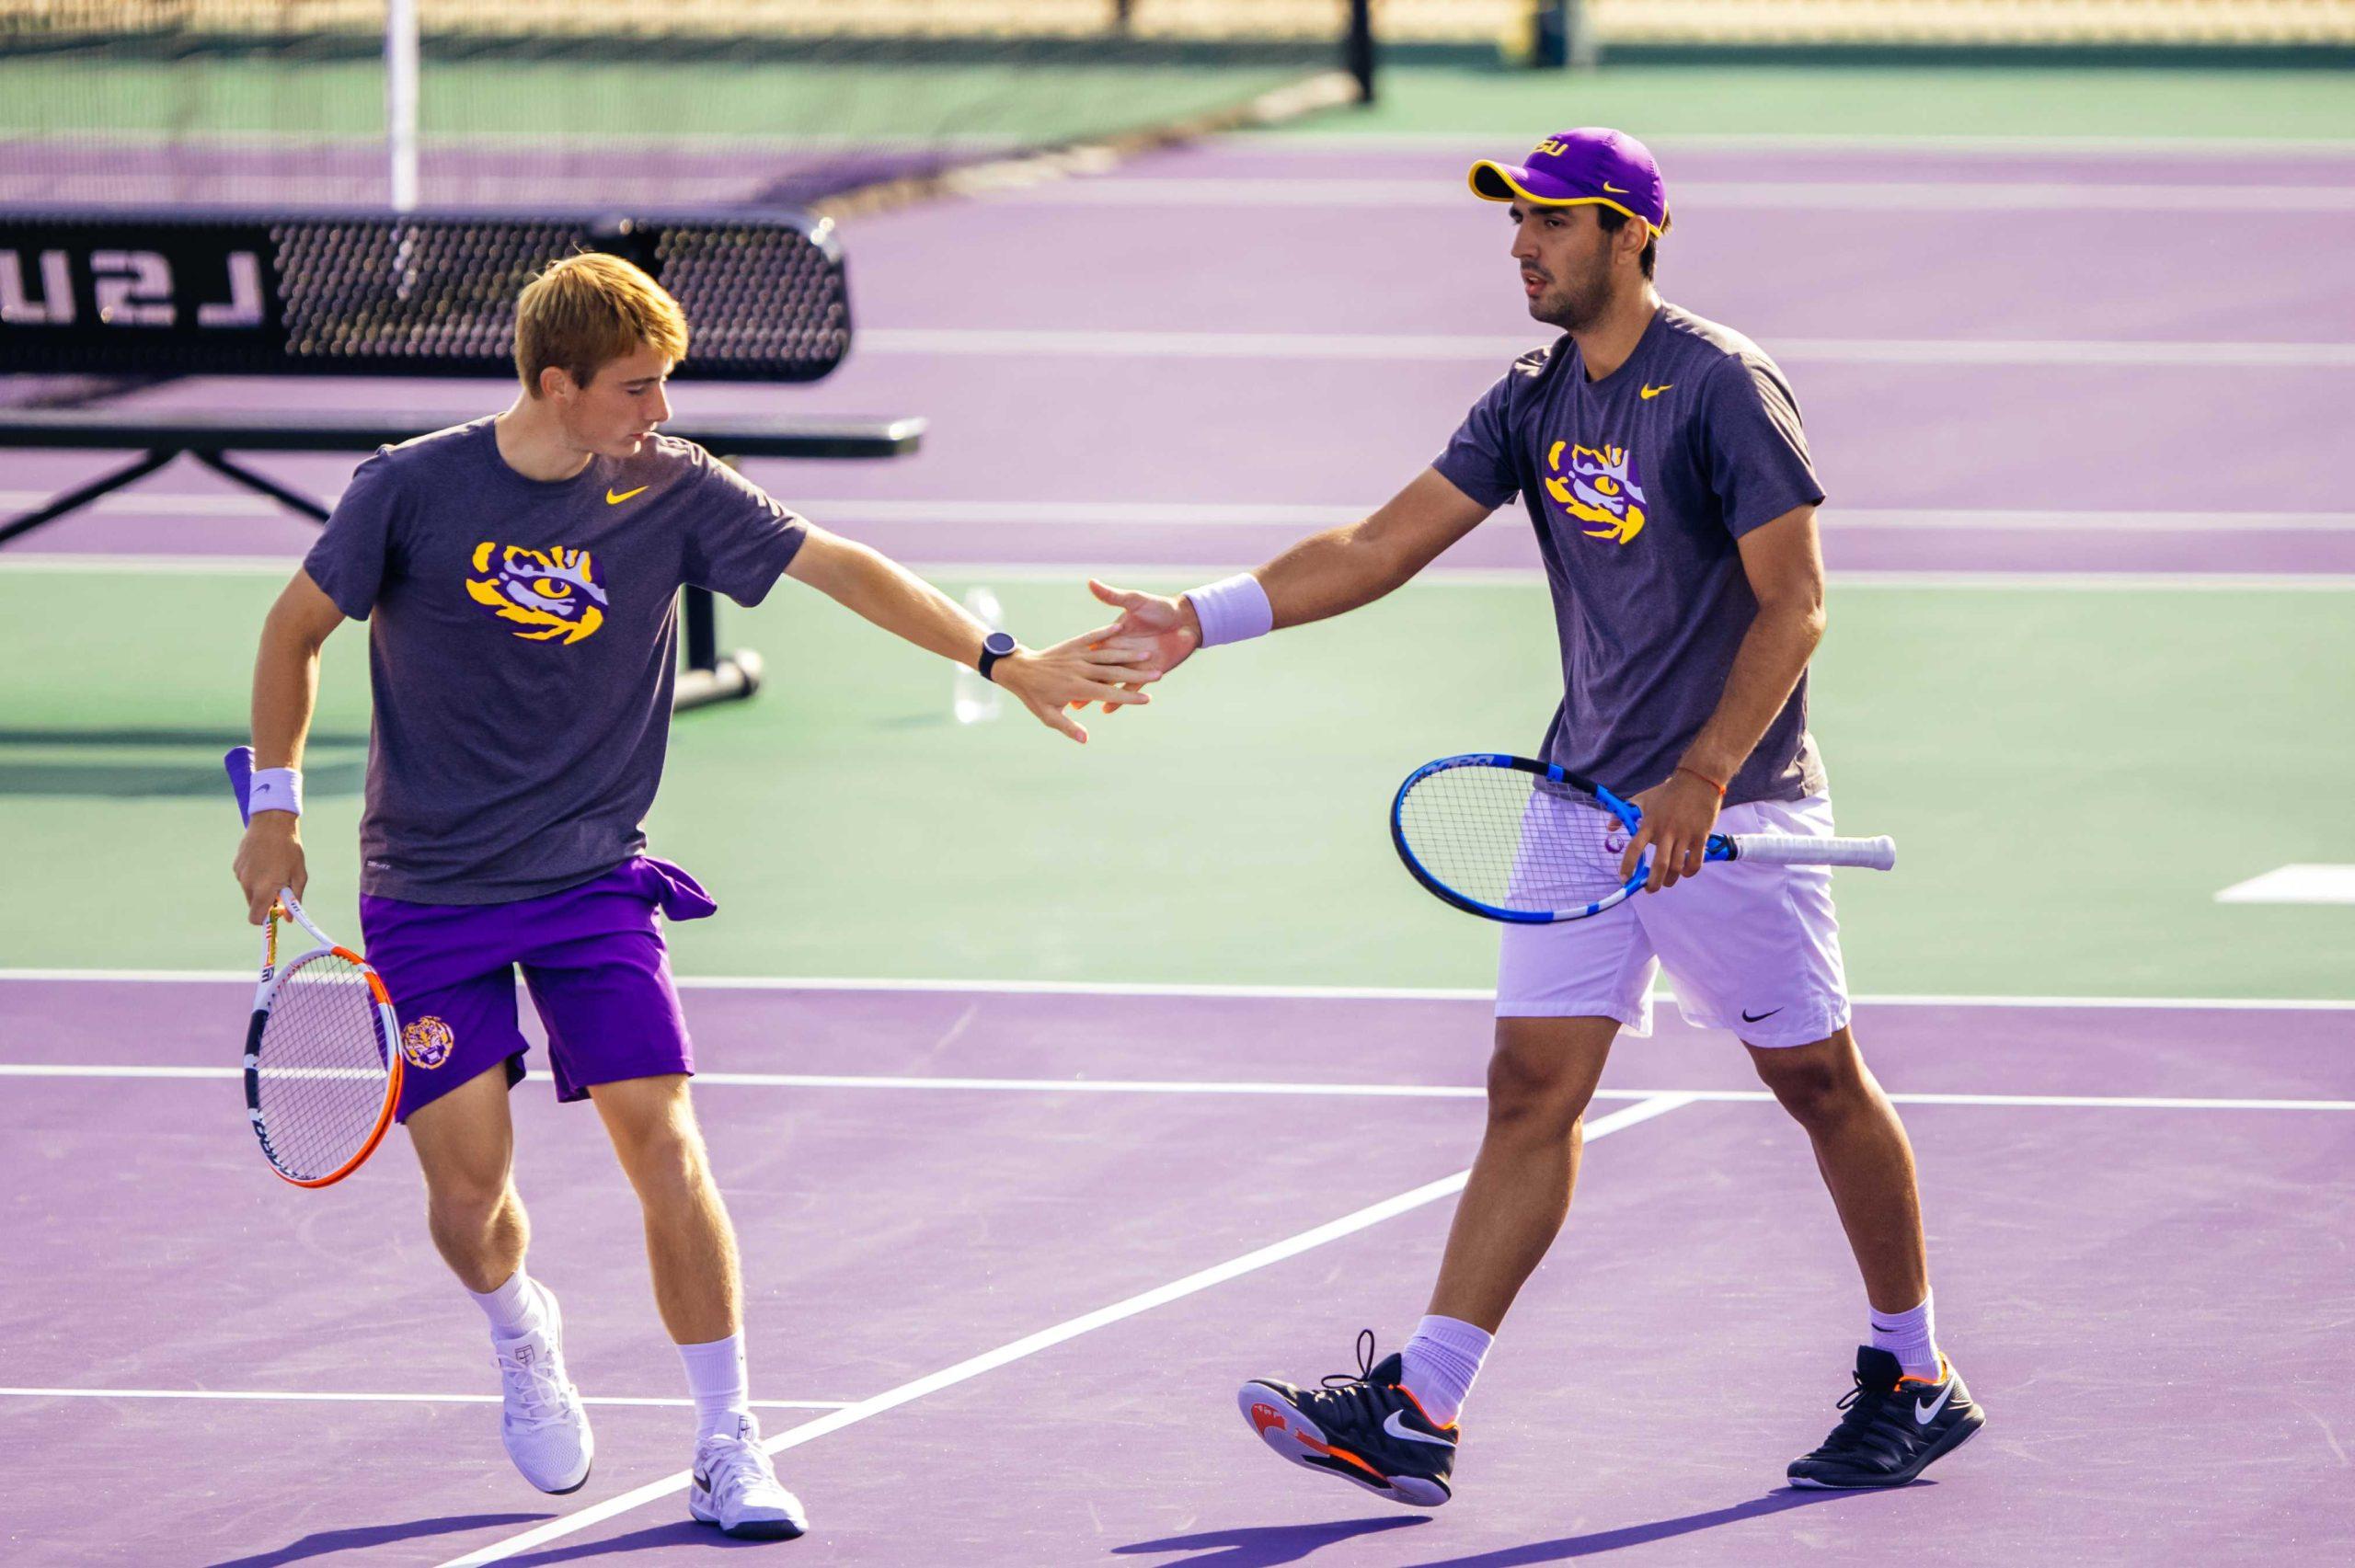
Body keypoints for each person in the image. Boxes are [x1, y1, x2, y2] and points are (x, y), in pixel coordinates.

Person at [1087, 128, 1982, 1504]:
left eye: (1553, 222)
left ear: (1633, 234)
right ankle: (1422, 1411)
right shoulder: (1532, 396)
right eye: (1517, 221)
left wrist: (1700, 773)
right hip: (1579, 803)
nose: (1522, 243)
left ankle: (1913, 1371)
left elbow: (1795, 600)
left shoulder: (1721, 387)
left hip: (1727, 808)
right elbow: (1382, 545)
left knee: (1814, 1083)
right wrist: (1206, 619)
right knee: (1529, 1090)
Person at [230, 253, 1151, 1539]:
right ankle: (519, 1326)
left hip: (591, 875)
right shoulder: (410, 488)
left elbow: (840, 565)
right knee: (470, 1200)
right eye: (634, 387)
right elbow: (292, 632)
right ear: (555, 385)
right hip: (429, 890)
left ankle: (728, 1440)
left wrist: (1003, 659)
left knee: (664, 1142)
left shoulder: (671, 487)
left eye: (664, 383)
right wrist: (274, 810)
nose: (659, 410)